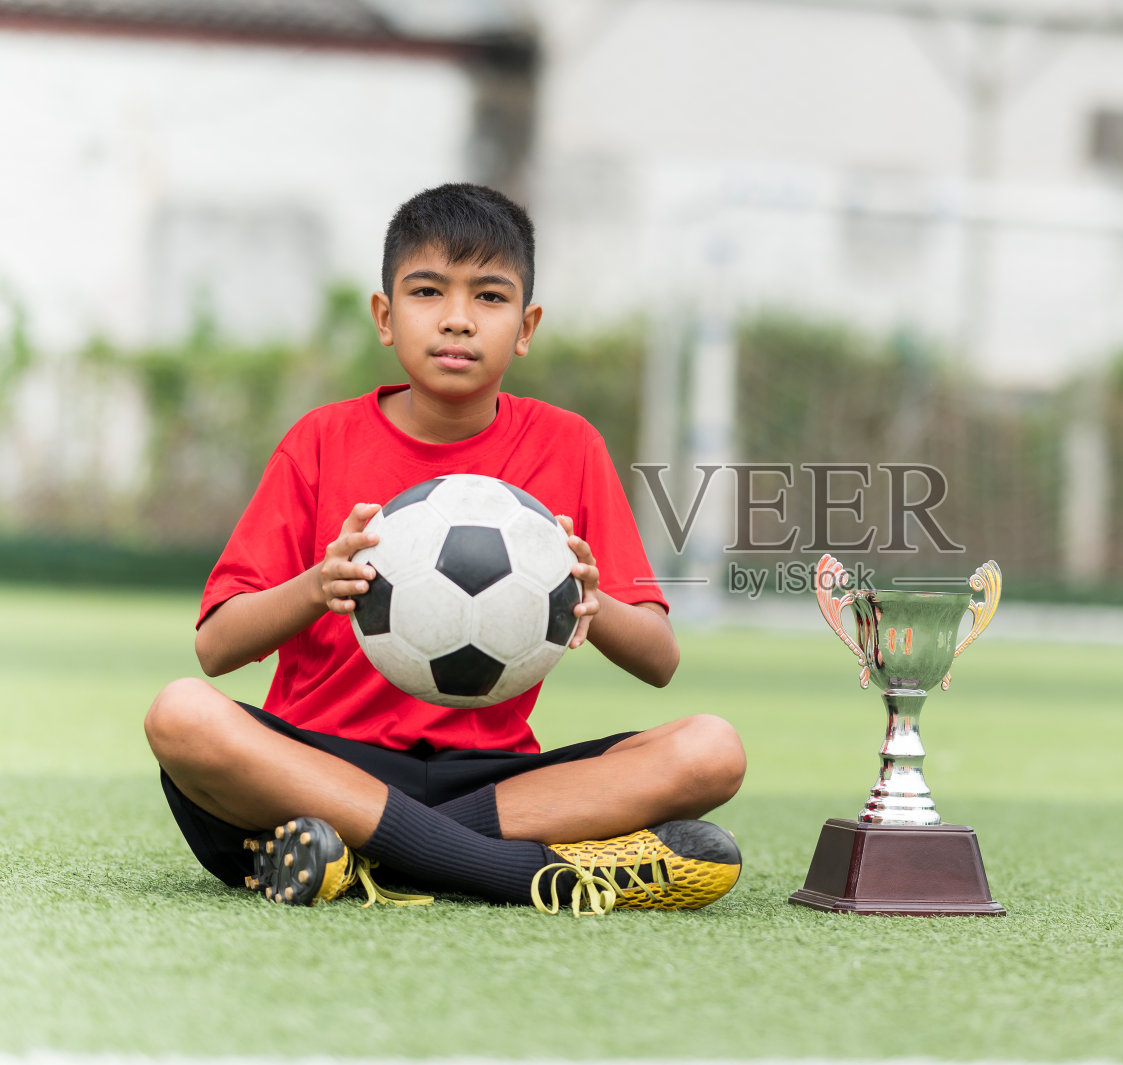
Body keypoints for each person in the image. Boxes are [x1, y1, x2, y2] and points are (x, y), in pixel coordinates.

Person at [144, 183, 746, 916]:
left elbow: (659, 659)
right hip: (321, 766)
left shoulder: (569, 445)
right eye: (428, 291)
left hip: (494, 781)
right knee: (181, 714)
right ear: (385, 316)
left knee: (712, 749)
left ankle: (360, 857)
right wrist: (317, 585)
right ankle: (513, 873)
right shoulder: (320, 441)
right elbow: (215, 647)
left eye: (489, 297)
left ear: (525, 327)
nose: (458, 318)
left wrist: (592, 600)